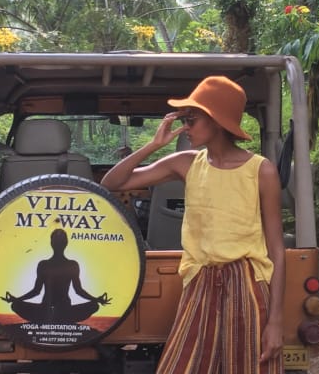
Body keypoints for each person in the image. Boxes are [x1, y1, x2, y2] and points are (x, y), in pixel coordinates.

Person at [100, 76, 285, 373]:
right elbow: (112, 183)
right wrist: (153, 144)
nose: (186, 127)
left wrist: (276, 321)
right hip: (200, 282)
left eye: (192, 118)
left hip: (248, 283)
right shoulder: (186, 163)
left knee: (250, 365)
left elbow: (276, 247)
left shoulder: (261, 171)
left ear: (217, 120)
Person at [0, 228, 112, 324]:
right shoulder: (66, 264)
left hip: (50, 311)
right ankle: (59, 317)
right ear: (65, 243)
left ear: (52, 243)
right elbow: (78, 291)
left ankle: (52, 317)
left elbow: (36, 291)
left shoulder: (50, 264)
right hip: (60, 311)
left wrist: (17, 300)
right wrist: (96, 300)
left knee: (15, 305)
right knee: (94, 305)